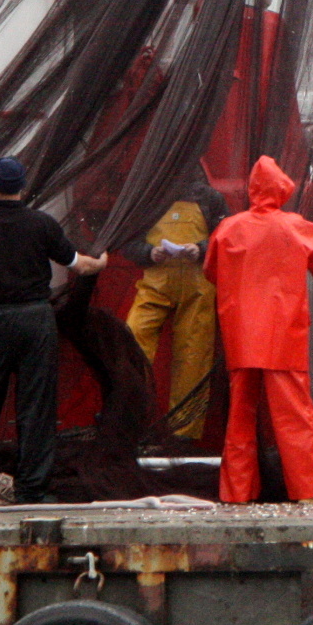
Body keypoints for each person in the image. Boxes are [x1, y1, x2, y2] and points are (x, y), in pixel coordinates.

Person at [0, 156, 105, 500]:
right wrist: (102, 260)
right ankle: (32, 489)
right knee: (35, 404)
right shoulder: (42, 224)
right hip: (35, 319)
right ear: (23, 185)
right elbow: (80, 265)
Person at [203, 155, 313, 504]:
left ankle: (237, 492)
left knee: (240, 416)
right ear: (282, 189)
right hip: (283, 337)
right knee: (294, 415)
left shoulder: (228, 227)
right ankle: (308, 491)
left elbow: (210, 271)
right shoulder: (297, 226)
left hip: (240, 336)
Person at [121, 179, 227, 440]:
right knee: (133, 342)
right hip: (157, 287)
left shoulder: (209, 198)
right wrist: (150, 253)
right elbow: (128, 242)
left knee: (194, 358)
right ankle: (129, 423)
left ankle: (183, 436)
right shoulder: (149, 196)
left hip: (196, 291)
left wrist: (200, 249)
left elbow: (227, 237)